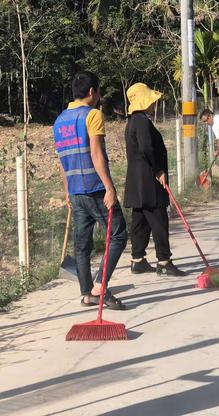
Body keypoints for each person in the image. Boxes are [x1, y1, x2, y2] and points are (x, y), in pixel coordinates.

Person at [53, 71, 127, 310]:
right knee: (118, 234)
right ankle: (99, 284)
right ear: (93, 92)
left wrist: (67, 191)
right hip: (94, 188)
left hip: (75, 191)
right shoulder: (93, 115)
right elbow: (96, 153)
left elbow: (63, 161)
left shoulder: (60, 120)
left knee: (82, 246)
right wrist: (109, 187)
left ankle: (87, 294)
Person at [124, 83, 186, 277]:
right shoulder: (141, 120)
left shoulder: (133, 121)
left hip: (136, 180)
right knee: (159, 218)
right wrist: (158, 170)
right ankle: (164, 261)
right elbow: (147, 148)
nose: (154, 104)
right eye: (151, 100)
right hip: (148, 178)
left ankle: (138, 260)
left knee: (140, 220)